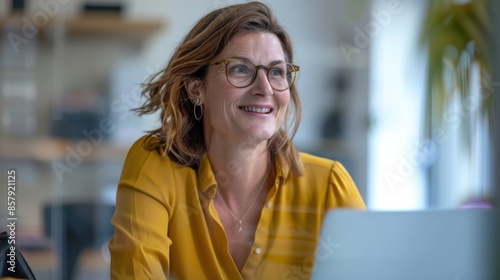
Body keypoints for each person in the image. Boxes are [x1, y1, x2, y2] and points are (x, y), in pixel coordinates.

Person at [108, 2, 365, 279]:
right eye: (241, 69)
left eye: (277, 72)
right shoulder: (156, 166)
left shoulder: (329, 186)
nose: (265, 88)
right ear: (196, 88)